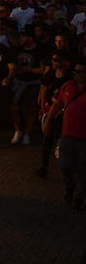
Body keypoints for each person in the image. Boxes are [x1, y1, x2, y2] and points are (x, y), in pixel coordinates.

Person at [42, 59, 86, 210]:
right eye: (75, 71)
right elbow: (57, 104)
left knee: (83, 171)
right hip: (67, 136)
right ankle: (70, 187)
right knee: (64, 166)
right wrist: (48, 121)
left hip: (84, 139)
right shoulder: (67, 86)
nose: (75, 74)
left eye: (79, 71)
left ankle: (79, 199)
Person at [36, 52, 73, 179]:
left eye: (56, 60)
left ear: (63, 62)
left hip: (64, 110)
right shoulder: (50, 75)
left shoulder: (69, 77)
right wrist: (42, 111)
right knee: (47, 138)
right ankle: (44, 166)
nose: (53, 62)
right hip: (50, 109)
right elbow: (43, 91)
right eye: (52, 59)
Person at [10, 29, 46, 145]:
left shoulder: (39, 50)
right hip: (19, 83)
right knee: (15, 107)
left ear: (30, 38)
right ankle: (18, 130)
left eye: (23, 37)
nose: (20, 39)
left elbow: (42, 69)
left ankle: (27, 134)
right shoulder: (18, 50)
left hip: (33, 83)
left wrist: (29, 70)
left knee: (32, 108)